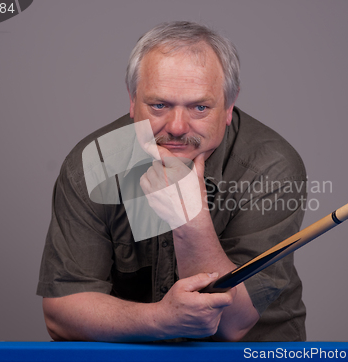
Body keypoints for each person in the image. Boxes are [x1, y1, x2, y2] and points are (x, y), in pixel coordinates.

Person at [37, 21, 307, 342]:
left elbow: (231, 324)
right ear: (132, 100)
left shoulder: (270, 166)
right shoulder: (95, 163)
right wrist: (160, 320)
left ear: (229, 107)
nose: (177, 127)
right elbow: (60, 314)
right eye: (159, 105)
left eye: (200, 107)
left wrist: (191, 222)